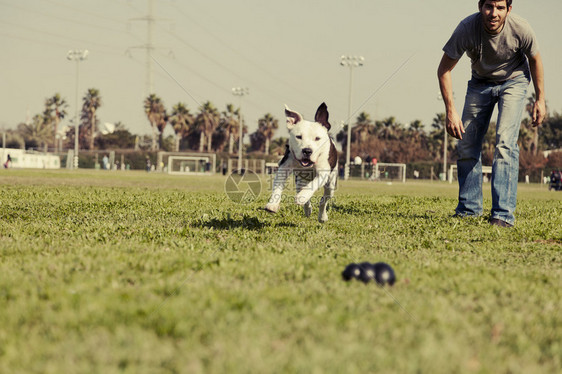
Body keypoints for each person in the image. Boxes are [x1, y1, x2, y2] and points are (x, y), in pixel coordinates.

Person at [437, 0, 545, 228]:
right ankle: (469, 210)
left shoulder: (521, 28)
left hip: (514, 81)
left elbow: (535, 60)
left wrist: (540, 99)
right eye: (488, 6)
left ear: (509, 9)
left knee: (505, 143)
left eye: (500, 7)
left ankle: (503, 215)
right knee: (466, 143)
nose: (493, 13)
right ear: (480, 7)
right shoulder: (466, 28)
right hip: (480, 83)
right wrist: (451, 111)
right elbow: (444, 69)